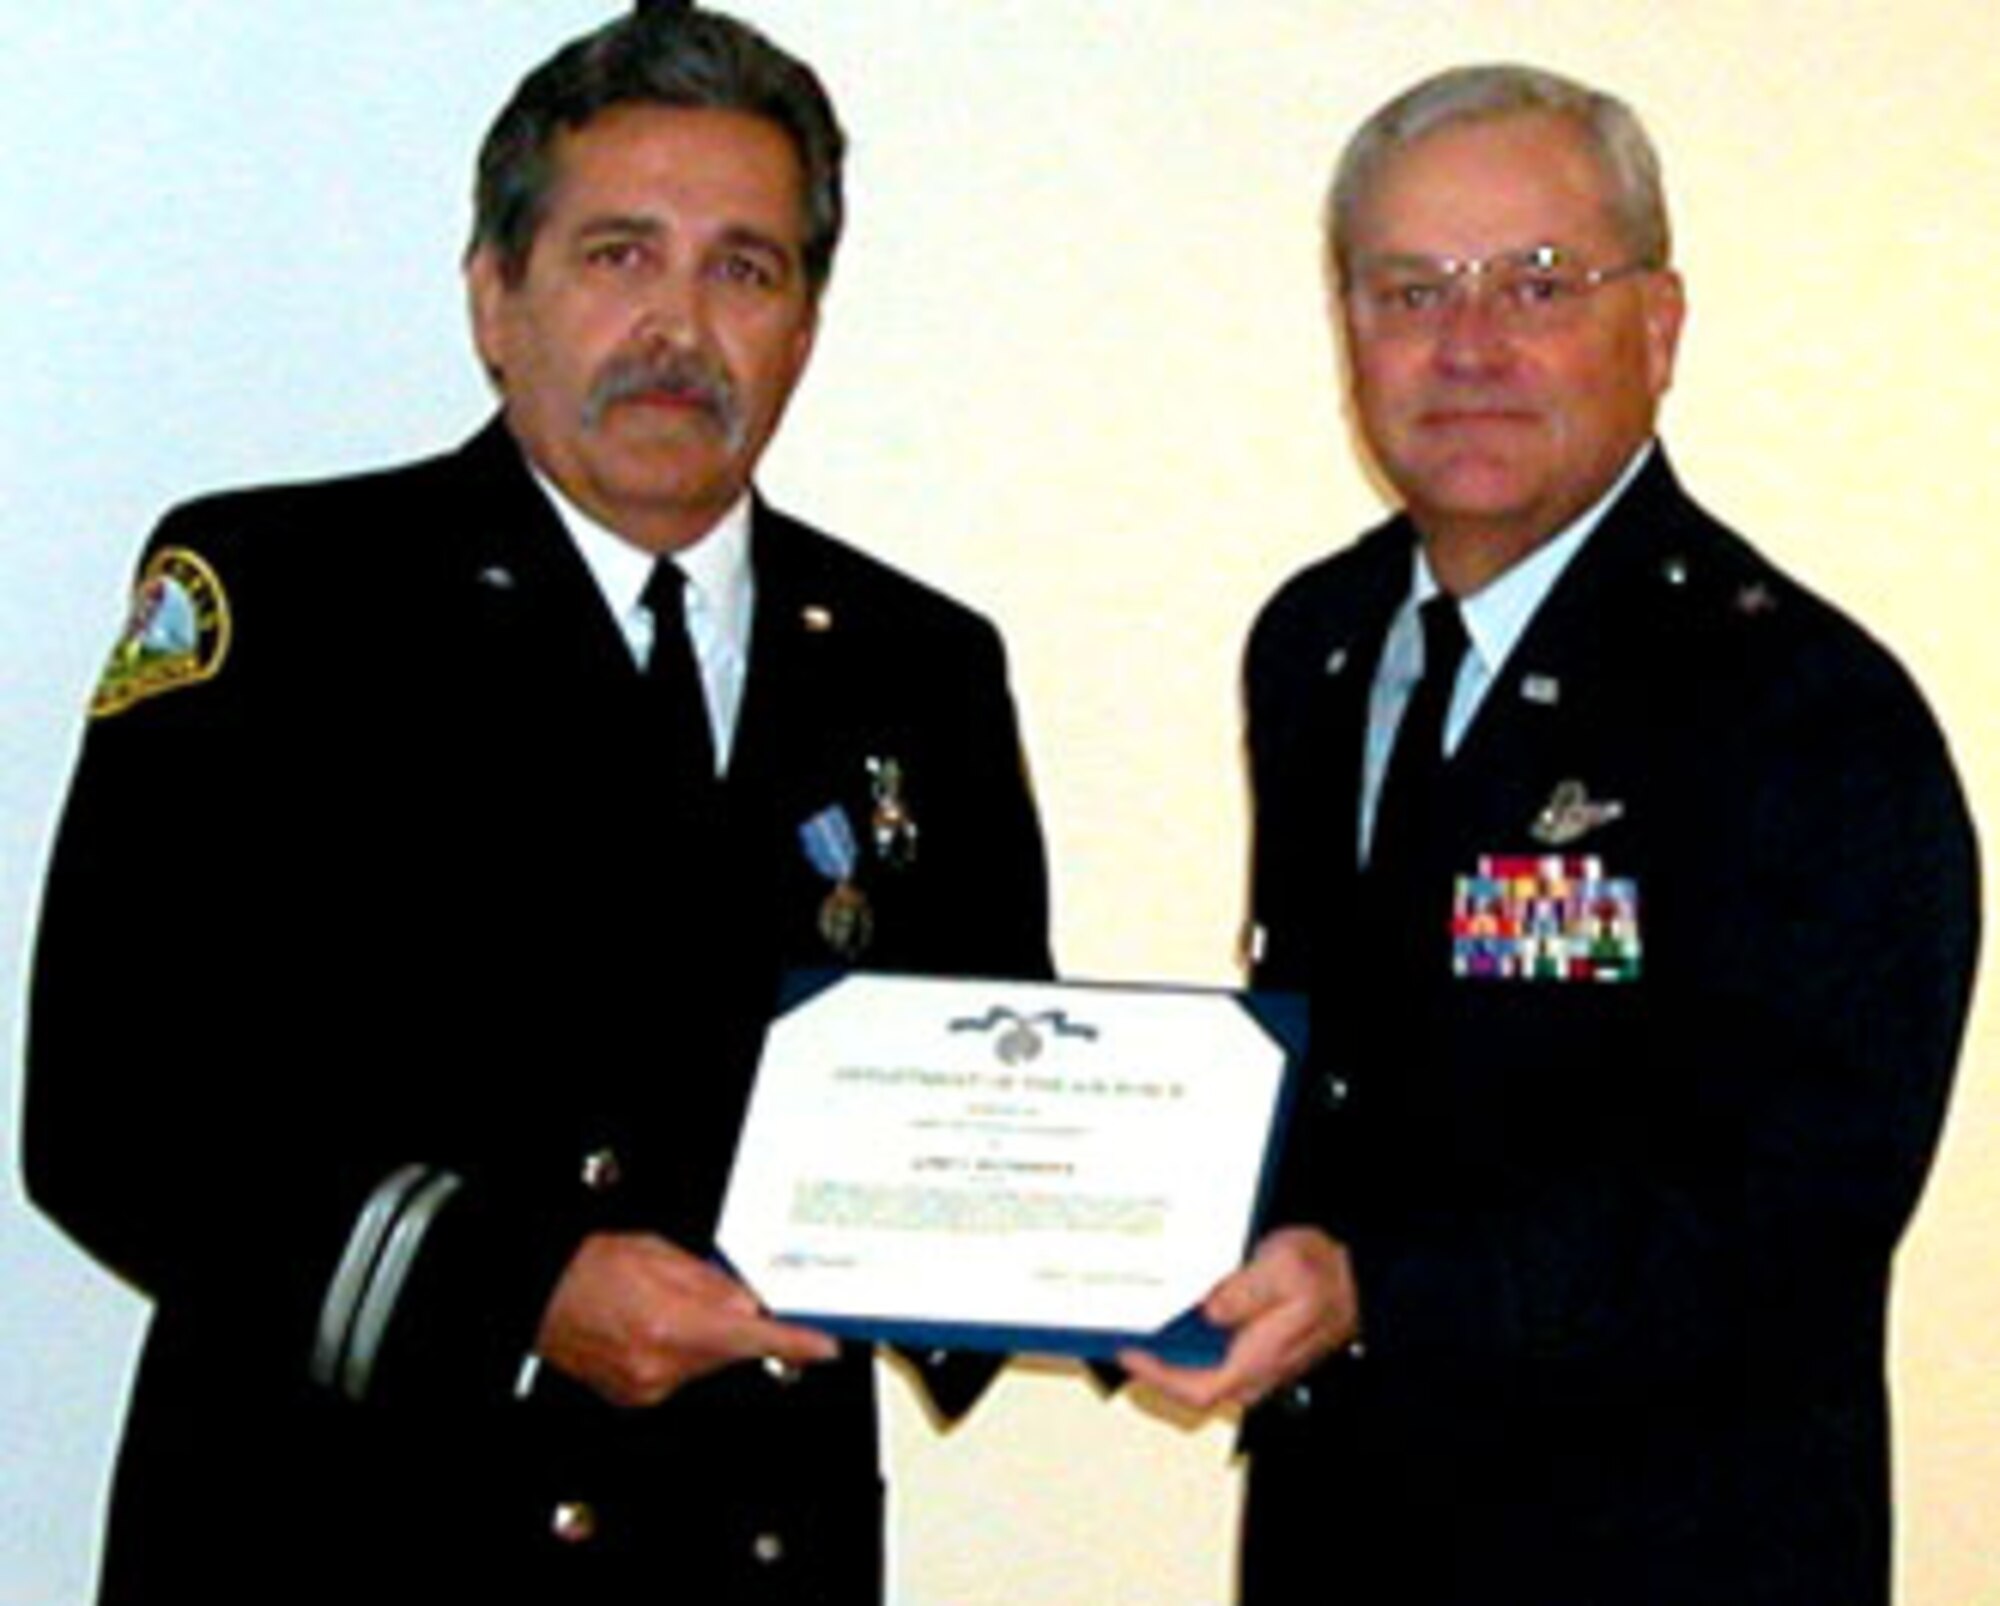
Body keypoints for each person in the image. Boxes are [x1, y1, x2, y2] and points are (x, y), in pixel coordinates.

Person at [24, 8, 1050, 1603]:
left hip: (749, 1542)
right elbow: (112, 1108)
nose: (680, 327)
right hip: (354, 1536)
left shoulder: (918, 665)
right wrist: (518, 1292)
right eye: (618, 256)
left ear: (805, 327)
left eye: (745, 269)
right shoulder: (286, 602)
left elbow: (989, 1085)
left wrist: (1132, 1255)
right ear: (496, 298)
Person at [1121, 64, 1980, 1605]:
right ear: (1349, 335)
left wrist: (1376, 1288)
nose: (1468, 347)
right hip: (1345, 1535)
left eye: (1536, 283)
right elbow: (1351, 1068)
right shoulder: (1315, 644)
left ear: (1658, 326)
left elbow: (1798, 1211)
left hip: (1663, 1550)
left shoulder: (1804, 707)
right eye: (1409, 290)